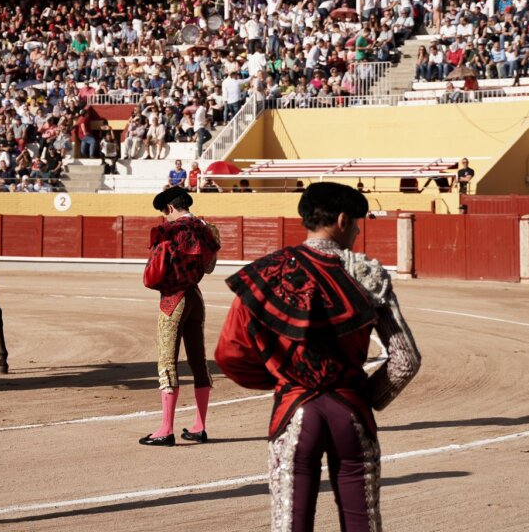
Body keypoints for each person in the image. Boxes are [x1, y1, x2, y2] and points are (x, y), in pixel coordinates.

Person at [215, 182, 421, 531]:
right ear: (342, 220)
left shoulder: (268, 272)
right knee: (362, 523)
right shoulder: (367, 274)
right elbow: (406, 360)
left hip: (294, 411)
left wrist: (283, 380)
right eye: (356, 223)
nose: (357, 231)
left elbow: (230, 353)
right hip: (352, 413)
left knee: (290, 524)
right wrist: (362, 396)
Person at [139, 185, 220, 446]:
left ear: (171, 207)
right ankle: (199, 427)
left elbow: (152, 276)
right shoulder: (206, 230)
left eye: (166, 211)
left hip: (174, 300)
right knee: (198, 361)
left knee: (167, 362)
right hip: (196, 297)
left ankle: (166, 429)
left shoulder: (168, 232)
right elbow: (209, 266)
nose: (165, 216)